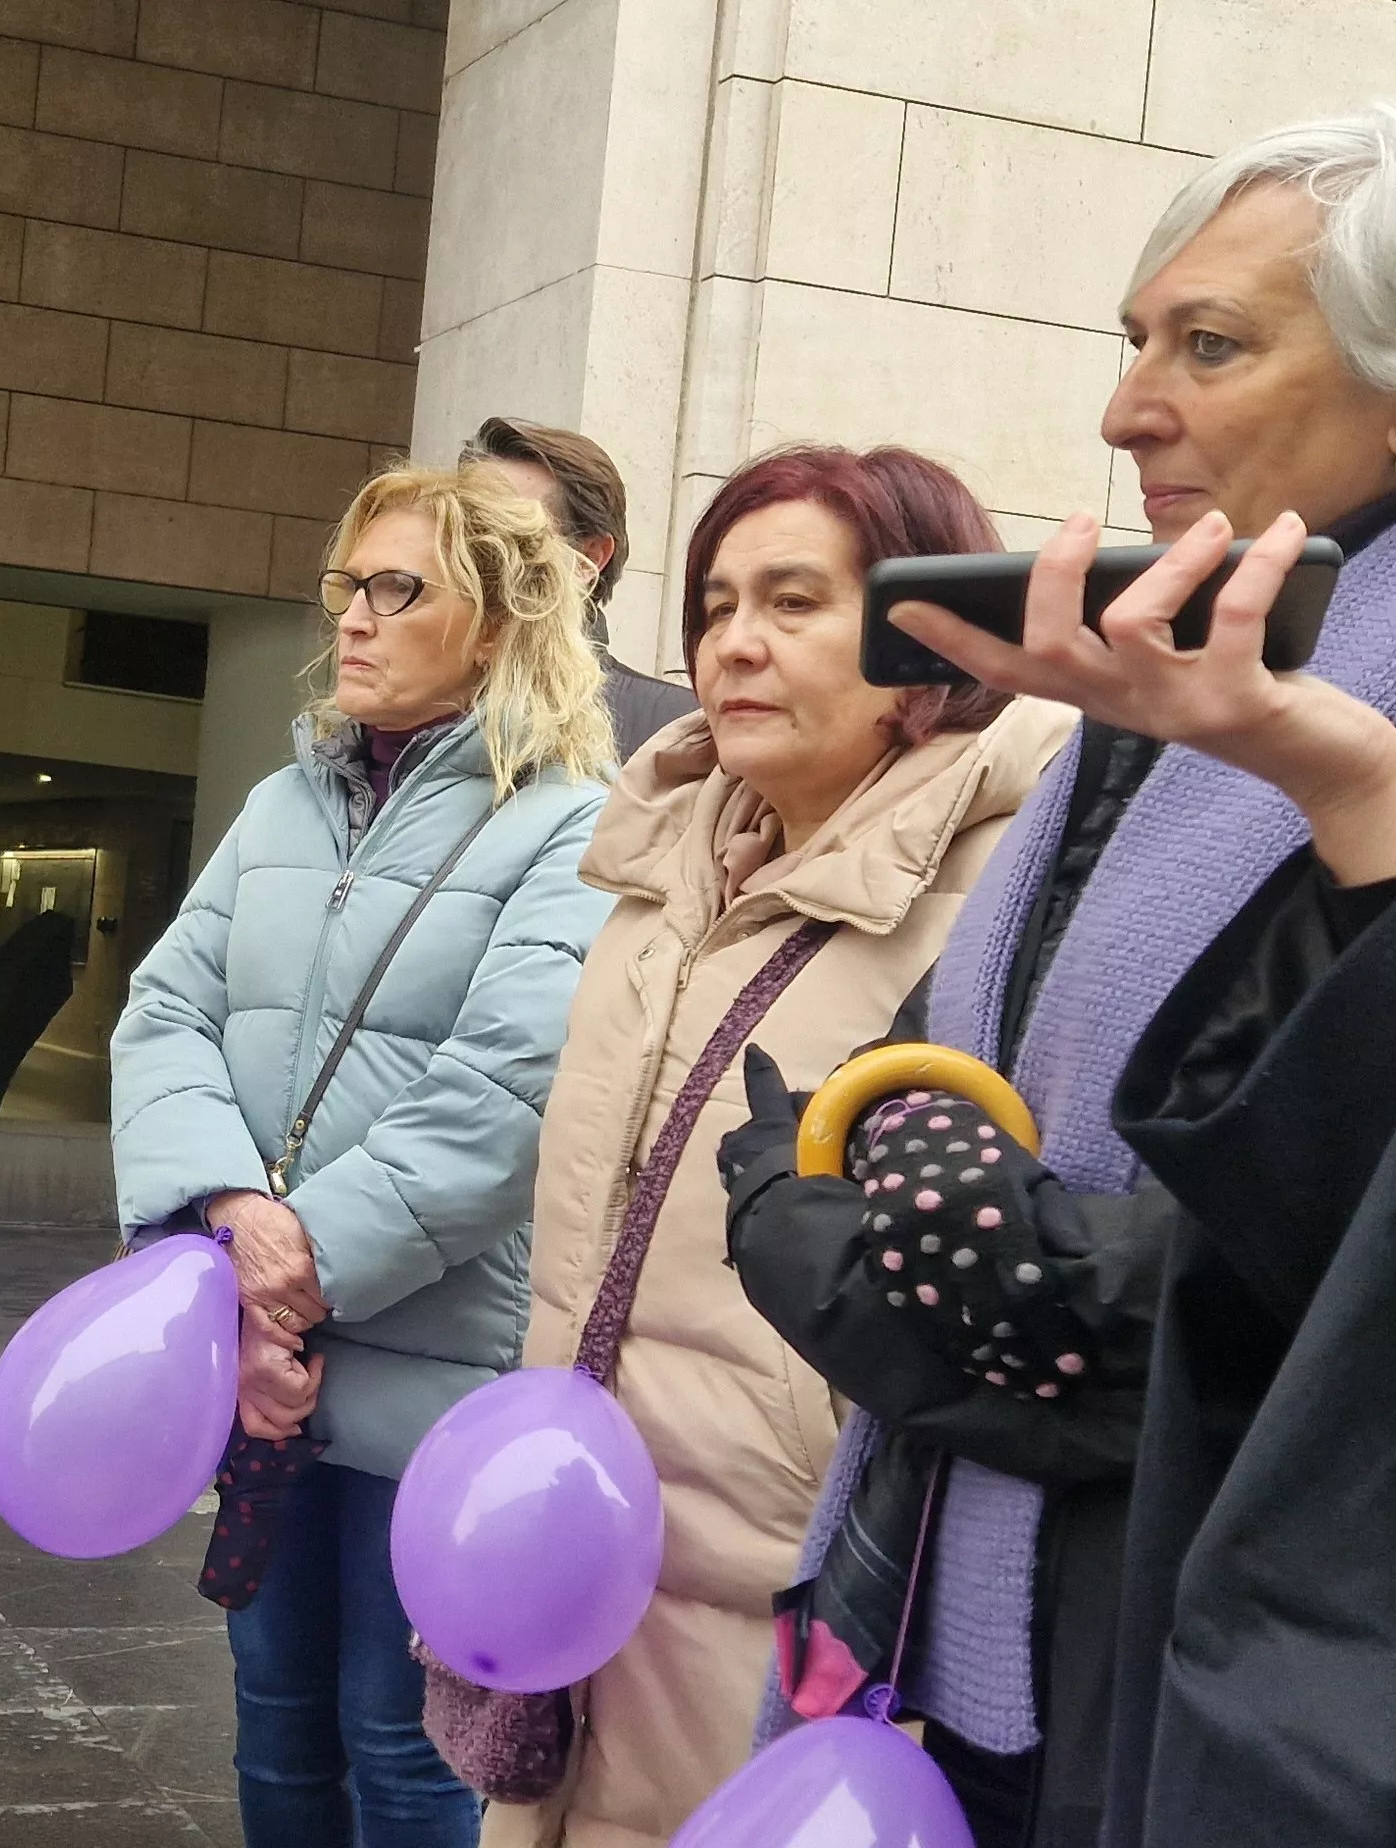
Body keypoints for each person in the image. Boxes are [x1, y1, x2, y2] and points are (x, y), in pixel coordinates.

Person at [719, 99, 1396, 1848]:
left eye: (1206, 345)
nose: (1124, 408)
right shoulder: (1148, 699)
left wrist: (871, 1246)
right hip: (940, 1627)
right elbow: (865, 1110)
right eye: (1133, 339)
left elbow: (1329, 1294)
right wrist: (854, 1217)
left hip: (1210, 1683)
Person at [491, 448, 1072, 1848]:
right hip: (577, 1565)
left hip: (798, 1614)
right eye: (714, 605)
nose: (733, 643)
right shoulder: (656, 868)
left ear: (925, 639)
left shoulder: (1006, 897)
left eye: (794, 602)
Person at [112, 463, 621, 1848]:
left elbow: (507, 1094)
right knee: (276, 1732)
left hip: (436, 1377)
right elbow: (164, 1015)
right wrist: (229, 1225)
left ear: (501, 624)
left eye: (400, 589)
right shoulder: (283, 804)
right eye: (349, 584)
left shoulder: (572, 822)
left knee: (407, 1756)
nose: (352, 617)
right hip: (264, 1354)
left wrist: (294, 1267)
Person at [467, 417, 701, 751]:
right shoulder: (402, 701)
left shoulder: (675, 731)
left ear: (588, 557)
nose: (466, 549)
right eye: (457, 525)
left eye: (510, 532)